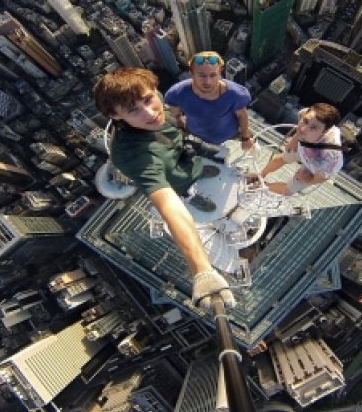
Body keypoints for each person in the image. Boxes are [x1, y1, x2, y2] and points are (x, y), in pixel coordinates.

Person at [92, 67, 235, 311]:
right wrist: (201, 270)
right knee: (185, 196)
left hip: (182, 157)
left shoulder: (161, 114)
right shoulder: (135, 155)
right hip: (176, 182)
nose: (149, 112)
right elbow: (169, 207)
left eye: (148, 99)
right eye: (133, 110)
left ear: (155, 90)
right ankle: (193, 193)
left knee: (197, 163)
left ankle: (198, 170)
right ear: (116, 115)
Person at [165, 51, 254, 150]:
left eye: (213, 75)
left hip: (227, 133)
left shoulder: (236, 94)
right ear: (191, 74)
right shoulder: (177, 93)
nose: (208, 82)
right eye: (202, 76)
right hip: (196, 134)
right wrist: (181, 127)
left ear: (220, 74)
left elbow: (242, 115)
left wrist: (245, 138)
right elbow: (176, 115)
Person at [257, 103, 343, 196]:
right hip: (305, 145)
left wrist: (309, 180)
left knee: (287, 191)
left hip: (316, 162)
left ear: (324, 131)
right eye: (305, 121)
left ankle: (262, 187)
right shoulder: (308, 114)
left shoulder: (329, 158)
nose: (303, 129)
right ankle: (260, 176)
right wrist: (295, 139)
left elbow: (322, 177)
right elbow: (302, 122)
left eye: (314, 128)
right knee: (284, 158)